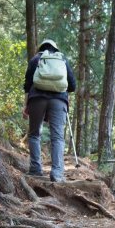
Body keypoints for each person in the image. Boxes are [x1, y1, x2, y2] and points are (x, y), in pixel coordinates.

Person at [23, 39, 76, 182]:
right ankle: (57, 173)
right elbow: (72, 85)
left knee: (34, 135)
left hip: (36, 99)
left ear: (41, 48)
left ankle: (35, 169)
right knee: (57, 137)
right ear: (55, 48)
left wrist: (25, 105)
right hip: (59, 101)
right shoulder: (62, 60)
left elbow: (27, 85)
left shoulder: (35, 59)